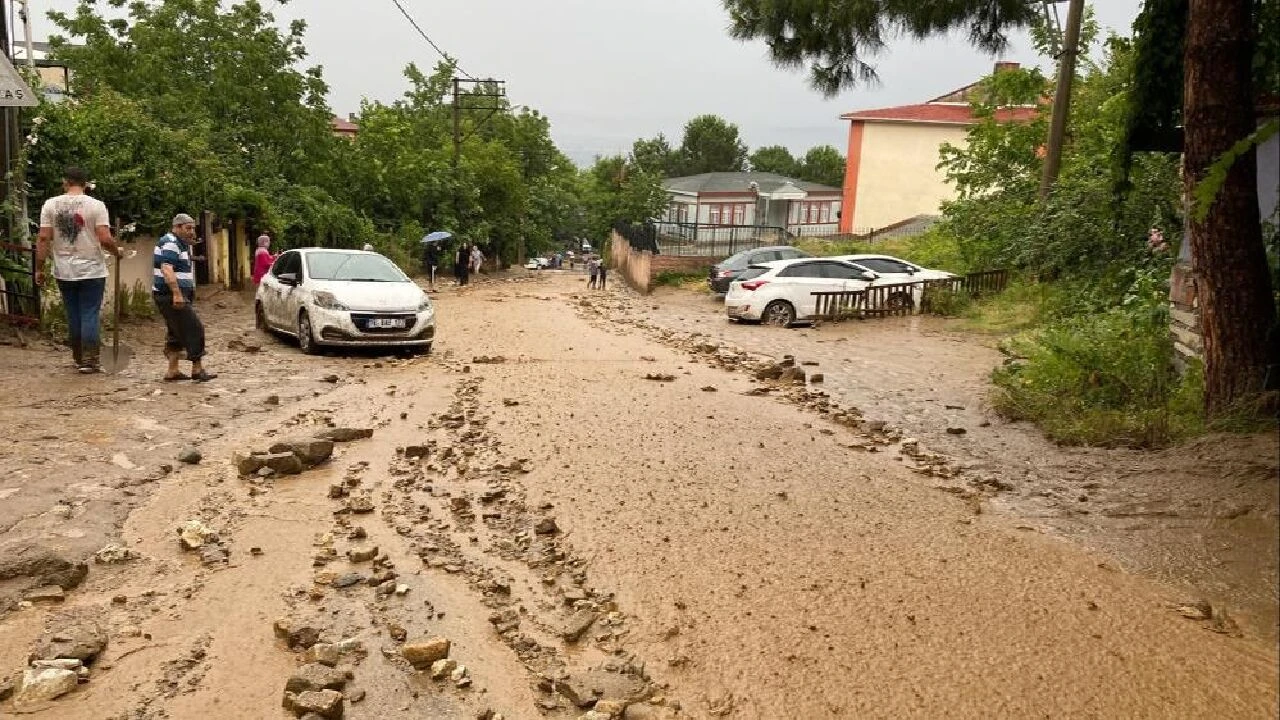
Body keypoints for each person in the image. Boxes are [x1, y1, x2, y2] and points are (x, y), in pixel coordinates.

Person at [35, 166, 120, 373]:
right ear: (85, 184)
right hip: (91, 268)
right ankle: (90, 360)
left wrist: (39, 267)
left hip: (64, 269)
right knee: (89, 312)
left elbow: (44, 238)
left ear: (65, 182)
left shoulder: (50, 205)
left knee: (73, 313)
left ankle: (78, 357)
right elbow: (104, 237)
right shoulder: (96, 206)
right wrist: (117, 251)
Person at [154, 213, 215, 382]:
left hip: (174, 293)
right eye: (188, 228)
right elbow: (167, 268)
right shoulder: (171, 243)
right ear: (177, 227)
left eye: (193, 228)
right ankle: (197, 369)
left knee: (175, 332)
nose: (191, 232)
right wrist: (176, 293)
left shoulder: (179, 244)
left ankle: (172, 370)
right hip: (171, 294)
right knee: (195, 329)